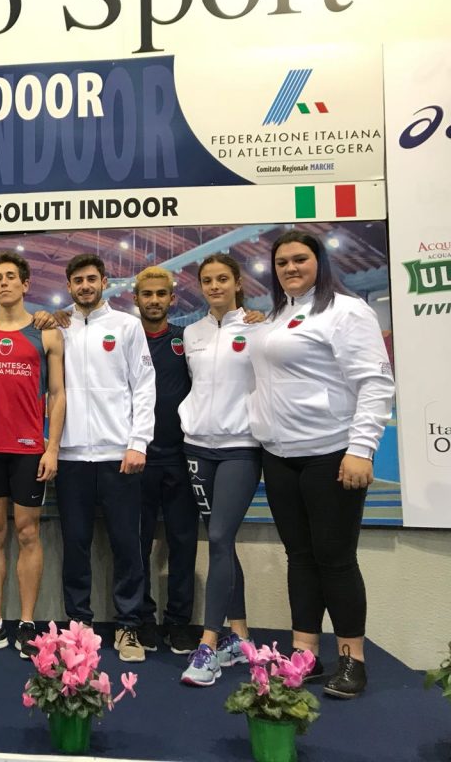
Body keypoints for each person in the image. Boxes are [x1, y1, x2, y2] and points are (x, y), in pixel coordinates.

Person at [249, 230, 394, 699]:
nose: (290, 268)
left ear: (319, 263)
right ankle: (305, 656)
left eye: (300, 259)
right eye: (282, 262)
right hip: (280, 456)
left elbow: (375, 382)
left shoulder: (347, 311)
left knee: (336, 559)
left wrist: (362, 448)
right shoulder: (275, 318)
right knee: (300, 558)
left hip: (331, 454)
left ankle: (352, 659)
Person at [0, 251, 66, 658]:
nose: (4, 283)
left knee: (27, 533)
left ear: (25, 284)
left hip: (28, 450)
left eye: (11, 277)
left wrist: (52, 447)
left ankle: (25, 623)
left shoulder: (47, 334)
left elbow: (57, 394)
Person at [55, 254, 156, 663]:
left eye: (91, 279)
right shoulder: (57, 326)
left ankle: (128, 625)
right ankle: (78, 625)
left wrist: (138, 442)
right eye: (78, 280)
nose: (85, 286)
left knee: (127, 544)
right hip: (70, 456)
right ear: (69, 285)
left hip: (119, 455)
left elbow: (144, 386)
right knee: (75, 545)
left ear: (104, 282)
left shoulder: (127, 326)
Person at [178, 255, 262, 686]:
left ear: (237, 282)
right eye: (207, 280)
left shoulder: (258, 328)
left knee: (217, 538)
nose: (214, 286)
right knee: (221, 541)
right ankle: (240, 638)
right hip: (197, 447)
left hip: (240, 448)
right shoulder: (192, 332)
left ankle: (208, 645)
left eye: (222, 279)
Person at [132, 266, 202, 656]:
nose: (154, 300)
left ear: (172, 298)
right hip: (138, 458)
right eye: (148, 294)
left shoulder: (185, 339)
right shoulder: (127, 340)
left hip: (180, 456)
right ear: (136, 299)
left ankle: (178, 622)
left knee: (183, 543)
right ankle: (142, 618)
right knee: (137, 544)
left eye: (161, 294)